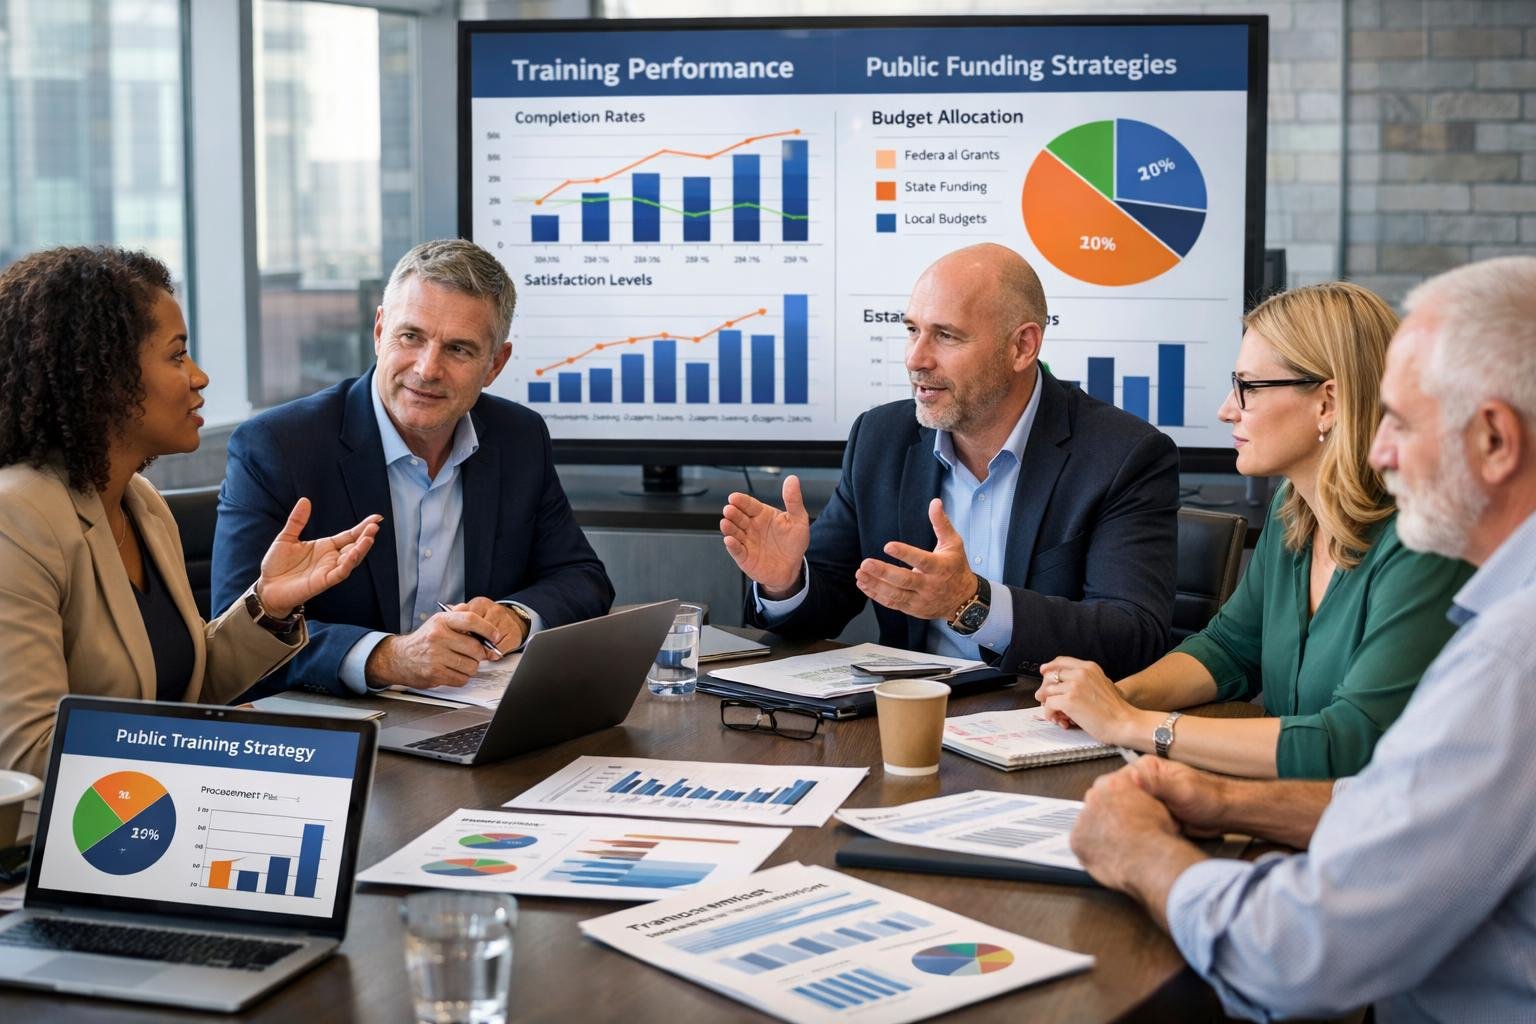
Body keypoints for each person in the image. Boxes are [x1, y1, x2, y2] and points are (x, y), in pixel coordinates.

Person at [1069, 256, 1536, 1022]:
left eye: (1401, 421)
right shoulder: (1303, 517)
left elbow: (1299, 954)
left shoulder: (1506, 649)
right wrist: (1221, 795)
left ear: (1493, 439)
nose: (1380, 451)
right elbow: (1405, 804)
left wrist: (1142, 842)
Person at [1035, 282, 1471, 779]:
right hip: (1294, 805)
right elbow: (1229, 648)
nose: (1227, 409)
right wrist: (1114, 697)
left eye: (1249, 387)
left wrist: (1132, 723)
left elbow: (1350, 741)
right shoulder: (1295, 508)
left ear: (1327, 403)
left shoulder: (1424, 539)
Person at [0, 247, 381, 778]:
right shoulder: (15, 519)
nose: (200, 378)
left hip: (148, 810)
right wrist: (215, 744)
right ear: (104, 375)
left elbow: (186, 688)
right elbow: (29, 758)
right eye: (177, 356)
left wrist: (269, 606)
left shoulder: (141, 504)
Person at [720, 243, 1178, 678]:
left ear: (1022, 347)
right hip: (909, 711)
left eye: (946, 335)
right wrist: (785, 582)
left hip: (1043, 711)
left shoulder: (1123, 455)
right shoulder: (881, 437)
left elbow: (1132, 636)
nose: (915, 358)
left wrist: (971, 602)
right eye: (912, 330)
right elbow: (827, 602)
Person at [212, 239, 613, 698]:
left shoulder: (518, 437)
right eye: (411, 337)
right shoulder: (278, 447)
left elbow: (582, 577)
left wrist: (515, 617)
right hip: (337, 722)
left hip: (473, 714)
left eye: (458, 349)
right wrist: (388, 657)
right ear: (379, 330)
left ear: (495, 364)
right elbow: (232, 634)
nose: (427, 369)